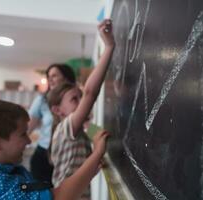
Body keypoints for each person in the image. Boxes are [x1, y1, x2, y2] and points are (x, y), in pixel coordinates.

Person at [0, 98, 109, 200]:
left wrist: (92, 165)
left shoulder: (6, 171)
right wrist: (97, 154)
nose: (29, 140)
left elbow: (37, 191)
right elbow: (59, 197)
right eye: (23, 134)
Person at [47, 19, 115, 199]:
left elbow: (99, 134)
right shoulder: (65, 128)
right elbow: (90, 93)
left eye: (80, 96)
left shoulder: (77, 129)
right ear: (58, 110)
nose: (81, 102)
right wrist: (109, 46)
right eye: (74, 99)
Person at [28, 63, 76, 184]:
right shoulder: (42, 99)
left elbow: (88, 124)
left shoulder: (78, 97)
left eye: (54, 75)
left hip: (69, 154)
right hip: (43, 155)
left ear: (66, 77)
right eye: (49, 76)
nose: (50, 79)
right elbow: (27, 127)